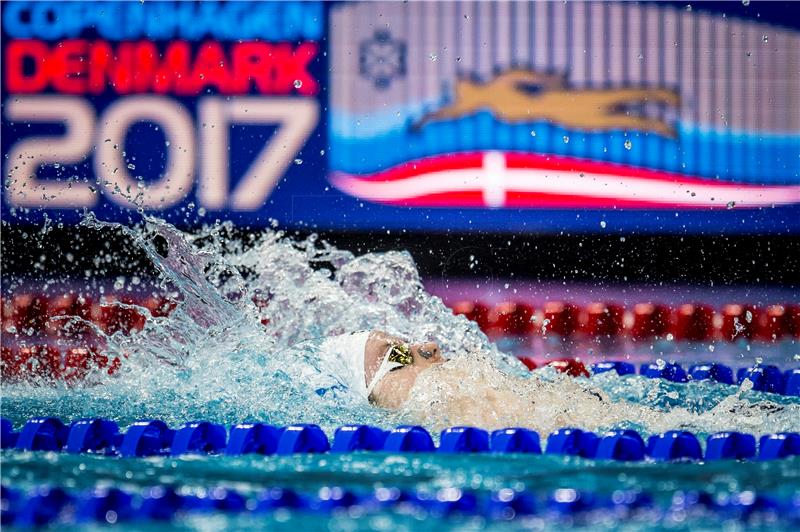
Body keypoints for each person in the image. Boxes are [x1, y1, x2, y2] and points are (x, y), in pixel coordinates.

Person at [320, 330, 796, 436]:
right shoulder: (432, 404)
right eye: (396, 355)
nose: (428, 347)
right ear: (373, 396)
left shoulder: (457, 394)